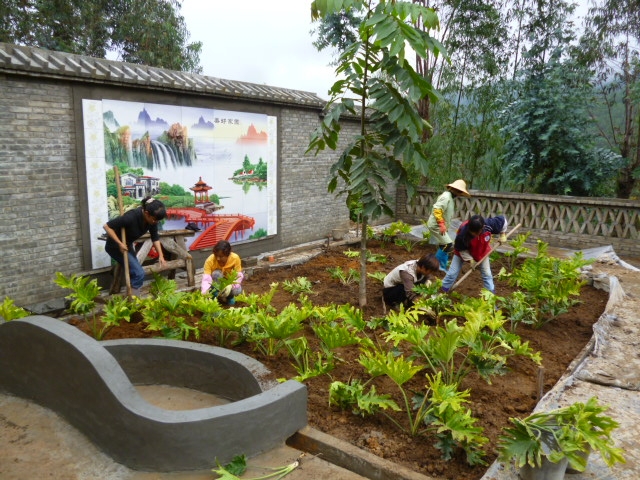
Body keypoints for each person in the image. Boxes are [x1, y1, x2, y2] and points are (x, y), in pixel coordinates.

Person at [103, 196, 167, 296]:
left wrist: (161, 256)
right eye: (155, 220)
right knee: (139, 273)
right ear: (147, 213)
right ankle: (133, 300)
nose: (156, 222)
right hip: (115, 246)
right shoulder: (131, 217)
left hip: (127, 245)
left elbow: (155, 237)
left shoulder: (152, 220)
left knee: (135, 271)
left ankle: (131, 296)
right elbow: (107, 226)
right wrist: (120, 243)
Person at [441, 214, 508, 294]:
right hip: (463, 252)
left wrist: (503, 234)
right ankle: (442, 291)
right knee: (452, 273)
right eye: (472, 233)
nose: (474, 235)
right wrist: (471, 260)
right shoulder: (462, 233)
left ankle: (490, 295)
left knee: (487, 274)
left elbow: (503, 220)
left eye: (476, 233)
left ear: (482, 228)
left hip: (481, 252)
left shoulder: (489, 225)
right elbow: (462, 250)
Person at [426, 179, 471, 272]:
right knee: (448, 244)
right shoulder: (446, 197)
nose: (460, 194)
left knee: (444, 245)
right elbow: (437, 209)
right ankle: (438, 265)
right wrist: (441, 224)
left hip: (438, 225)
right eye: (460, 192)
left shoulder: (449, 197)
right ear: (456, 190)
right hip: (436, 225)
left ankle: (440, 264)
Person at [201, 240, 244, 305]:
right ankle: (215, 296)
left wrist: (231, 286)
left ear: (228, 255)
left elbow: (238, 276)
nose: (218, 258)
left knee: (237, 290)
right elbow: (206, 279)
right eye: (216, 255)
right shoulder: (210, 260)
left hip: (228, 283)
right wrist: (205, 293)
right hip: (216, 284)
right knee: (216, 273)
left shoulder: (235, 258)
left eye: (221, 256)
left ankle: (229, 297)